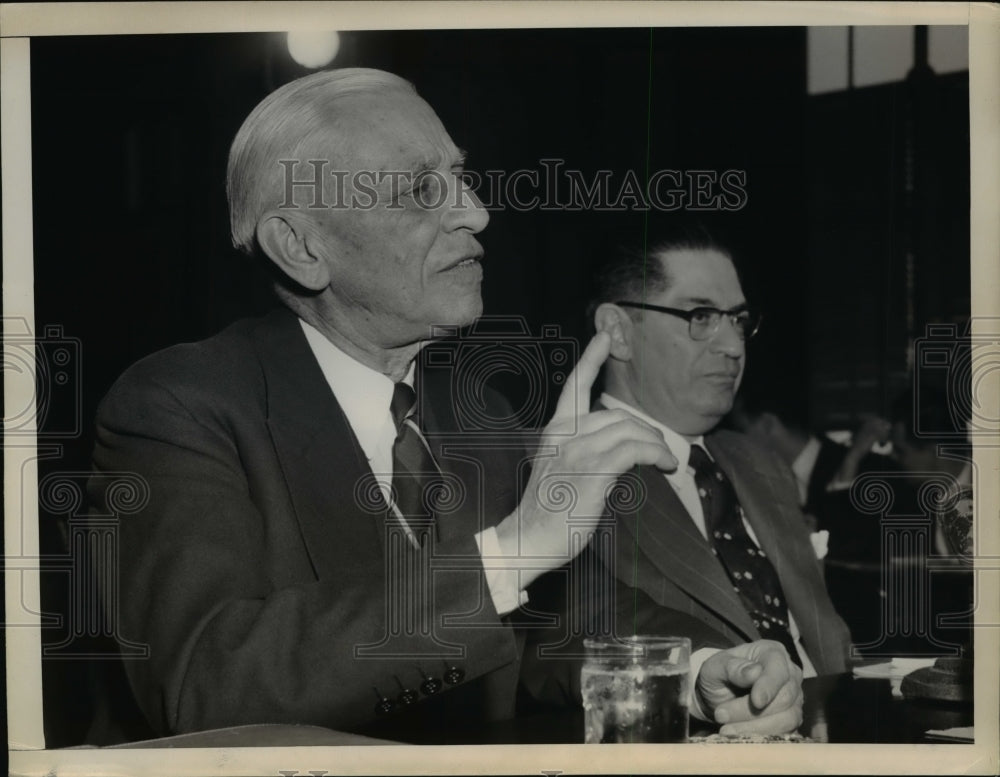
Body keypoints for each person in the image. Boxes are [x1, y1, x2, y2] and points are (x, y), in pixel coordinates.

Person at [87, 68, 802, 742]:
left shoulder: (476, 415)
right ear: (302, 247)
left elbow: (567, 624)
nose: (479, 213)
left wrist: (705, 667)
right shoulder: (179, 406)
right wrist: (513, 550)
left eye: (458, 177)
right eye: (421, 191)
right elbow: (209, 681)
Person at [524, 228, 852, 731]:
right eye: (700, 316)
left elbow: (821, 639)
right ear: (618, 331)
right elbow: (565, 641)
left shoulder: (757, 463)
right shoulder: (558, 468)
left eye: (738, 320)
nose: (732, 345)